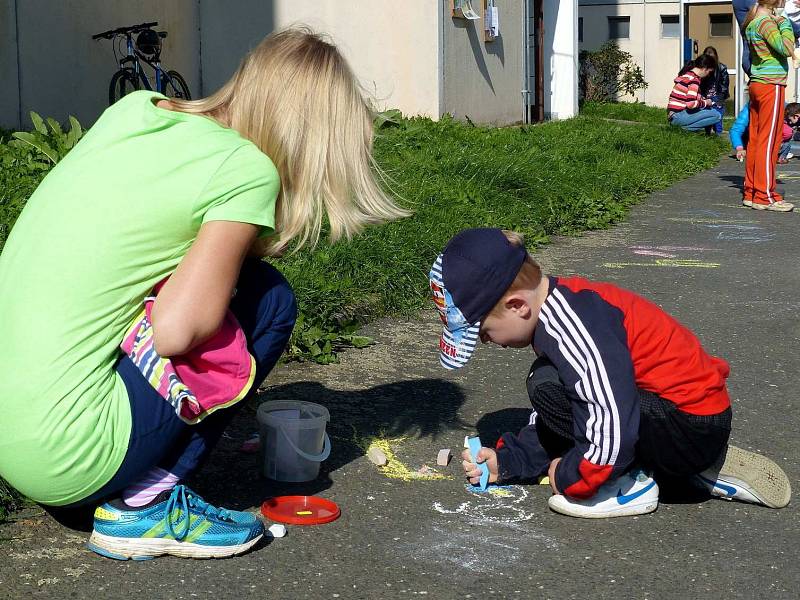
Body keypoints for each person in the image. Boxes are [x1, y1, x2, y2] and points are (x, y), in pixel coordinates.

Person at [0, 28, 408, 560]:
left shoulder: (135, 111)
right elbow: (173, 332)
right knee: (269, 300)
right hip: (69, 453)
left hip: (14, 437)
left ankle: (114, 482)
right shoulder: (246, 171)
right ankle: (144, 509)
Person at [430, 228, 791, 519]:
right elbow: (573, 413)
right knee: (551, 382)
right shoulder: (561, 305)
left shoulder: (572, 327)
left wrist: (575, 478)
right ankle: (686, 470)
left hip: (689, 427)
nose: (489, 343)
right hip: (681, 415)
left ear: (517, 306)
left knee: (549, 385)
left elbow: (608, 413)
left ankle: (629, 485)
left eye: (484, 332)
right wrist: (510, 461)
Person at [742, 0, 795, 211]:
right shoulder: (767, 22)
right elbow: (785, 48)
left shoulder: (754, 21)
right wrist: (785, 23)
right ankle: (765, 196)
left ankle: (751, 192)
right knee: (770, 141)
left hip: (757, 83)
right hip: (771, 85)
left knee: (755, 139)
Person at [667, 54, 722, 133]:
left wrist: (702, 100)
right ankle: (684, 129)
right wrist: (706, 102)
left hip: (673, 115)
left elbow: (687, 98)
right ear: (705, 68)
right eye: (709, 72)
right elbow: (690, 104)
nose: (708, 75)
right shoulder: (694, 81)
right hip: (678, 116)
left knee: (707, 110)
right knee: (716, 115)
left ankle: (682, 127)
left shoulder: (686, 75)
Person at [700, 47, 730, 135]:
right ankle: (708, 134)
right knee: (706, 117)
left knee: (718, 119)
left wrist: (720, 98)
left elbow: (724, 85)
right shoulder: (703, 69)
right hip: (706, 96)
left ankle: (718, 135)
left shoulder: (721, 68)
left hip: (717, 96)